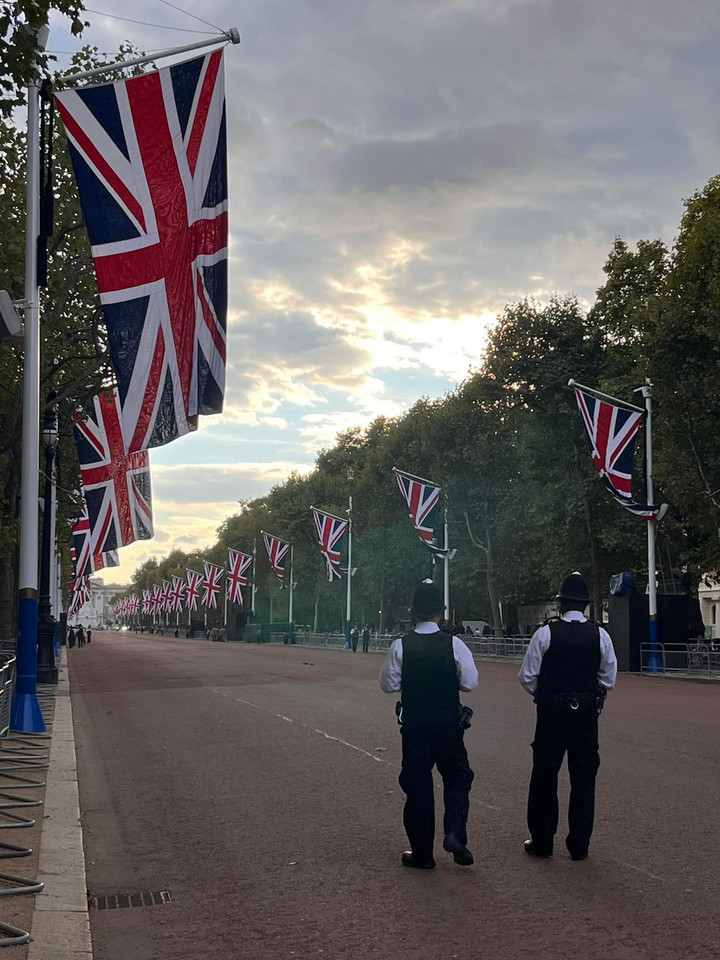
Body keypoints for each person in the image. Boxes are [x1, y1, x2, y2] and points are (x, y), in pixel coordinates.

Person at [518, 573, 617, 862]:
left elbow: (526, 677)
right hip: (585, 713)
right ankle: (579, 844)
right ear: (585, 605)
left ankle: (542, 840)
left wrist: (546, 693)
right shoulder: (600, 635)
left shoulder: (545, 634)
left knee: (545, 775)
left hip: (551, 712)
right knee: (584, 777)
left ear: (561, 605)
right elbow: (608, 678)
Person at [379, 580, 478, 870]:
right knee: (458, 778)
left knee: (418, 786)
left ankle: (422, 853)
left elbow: (388, 684)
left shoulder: (401, 645)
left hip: (415, 724)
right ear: (439, 613)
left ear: (414, 614)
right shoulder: (454, 644)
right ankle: (455, 832)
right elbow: (470, 683)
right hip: (449, 722)